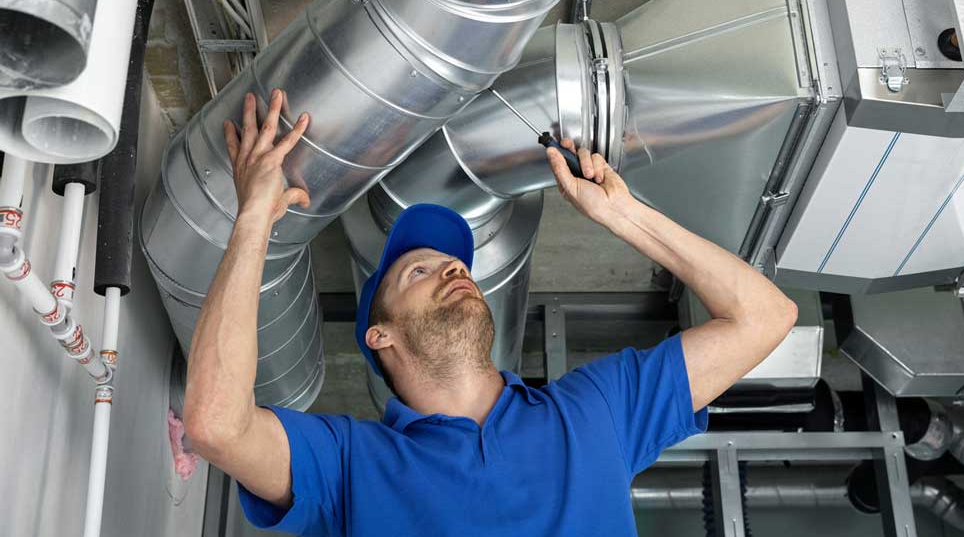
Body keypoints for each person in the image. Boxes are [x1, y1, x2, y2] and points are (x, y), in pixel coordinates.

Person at [183, 89, 798, 537]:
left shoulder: (596, 412)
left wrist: (623, 215)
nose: (454, 269)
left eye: (456, 267)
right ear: (380, 334)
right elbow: (214, 425)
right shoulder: (348, 464)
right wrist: (254, 219)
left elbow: (765, 315)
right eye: (419, 271)